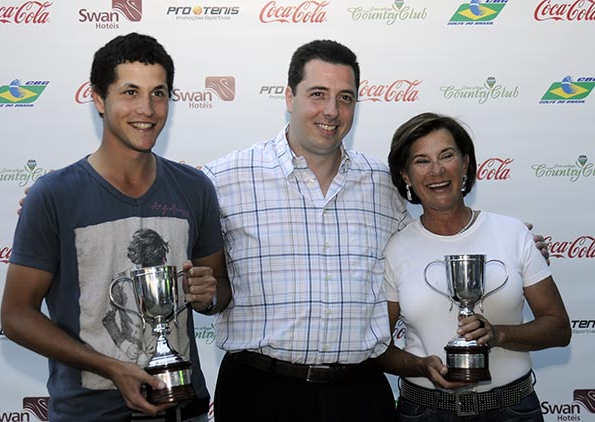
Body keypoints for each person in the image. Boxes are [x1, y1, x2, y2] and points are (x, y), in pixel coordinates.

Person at [1, 33, 231, 422]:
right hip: (88, 414)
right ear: (97, 98)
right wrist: (110, 367)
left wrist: (207, 295)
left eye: (158, 93)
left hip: (183, 409)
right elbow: (16, 316)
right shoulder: (54, 194)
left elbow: (219, 293)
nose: (147, 108)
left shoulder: (195, 188)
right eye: (130, 91)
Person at [202, 39, 408, 422]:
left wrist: (505, 244)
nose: (331, 111)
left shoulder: (385, 183)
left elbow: (424, 250)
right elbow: (208, 281)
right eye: (318, 94)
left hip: (360, 393)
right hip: (259, 394)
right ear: (288, 97)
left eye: (345, 98)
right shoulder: (223, 180)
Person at [378, 112, 571, 421]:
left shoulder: (513, 233)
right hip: (424, 411)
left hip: (511, 410)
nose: (437, 170)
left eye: (447, 155)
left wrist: (498, 335)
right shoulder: (395, 248)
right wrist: (420, 365)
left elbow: (559, 328)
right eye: (421, 161)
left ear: (465, 163)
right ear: (405, 175)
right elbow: (378, 348)